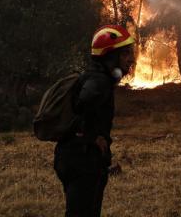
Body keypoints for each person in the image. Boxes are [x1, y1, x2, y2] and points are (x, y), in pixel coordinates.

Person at [53, 25, 135, 217]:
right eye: (125, 54)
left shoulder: (96, 78)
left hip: (78, 157)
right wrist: (91, 137)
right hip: (82, 159)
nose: (130, 59)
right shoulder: (99, 81)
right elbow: (84, 104)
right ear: (110, 56)